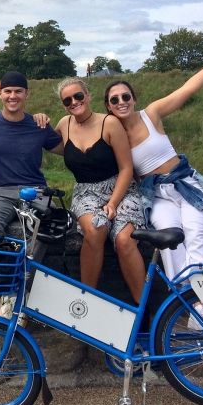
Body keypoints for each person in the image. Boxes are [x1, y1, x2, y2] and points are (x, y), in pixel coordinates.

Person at [105, 41, 203, 329]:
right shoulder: (112, 134)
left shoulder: (151, 114)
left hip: (185, 186)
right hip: (157, 196)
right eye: (114, 100)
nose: (121, 102)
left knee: (196, 240)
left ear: (133, 97)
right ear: (108, 106)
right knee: (169, 246)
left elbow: (187, 90)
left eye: (125, 96)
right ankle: (195, 307)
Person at [0, 70, 62, 318]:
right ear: (0, 94)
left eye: (18, 91)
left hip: (35, 189)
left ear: (26, 94)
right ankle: (6, 292)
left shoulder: (39, 125)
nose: (12, 96)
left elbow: (67, 148)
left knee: (44, 227)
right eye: (8, 91)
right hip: (0, 190)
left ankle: (21, 289)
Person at [49, 78, 146, 302]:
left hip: (121, 188)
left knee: (124, 240)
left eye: (78, 96)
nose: (74, 102)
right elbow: (45, 142)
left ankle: (142, 309)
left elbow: (126, 168)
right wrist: (38, 121)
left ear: (88, 96)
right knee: (96, 229)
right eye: (68, 100)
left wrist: (112, 203)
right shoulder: (64, 124)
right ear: (64, 105)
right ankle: (86, 301)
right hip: (86, 192)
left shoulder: (109, 123)